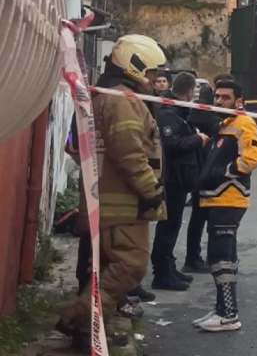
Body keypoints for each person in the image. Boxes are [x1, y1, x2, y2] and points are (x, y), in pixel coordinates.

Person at [57, 35, 168, 347]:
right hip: (124, 205)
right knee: (131, 265)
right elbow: (129, 152)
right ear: (134, 66)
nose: (153, 80)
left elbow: (74, 147)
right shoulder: (123, 101)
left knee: (106, 267)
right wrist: (151, 190)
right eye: (150, 73)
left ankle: (90, 331)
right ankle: (79, 319)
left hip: (103, 201)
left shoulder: (103, 95)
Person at [192, 79, 257, 333]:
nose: (219, 101)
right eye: (217, 97)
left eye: (225, 97)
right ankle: (222, 309)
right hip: (216, 198)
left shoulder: (243, 123)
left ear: (238, 101)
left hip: (229, 199)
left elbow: (250, 160)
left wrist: (223, 172)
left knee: (222, 257)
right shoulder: (224, 124)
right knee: (220, 257)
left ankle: (229, 314)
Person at [150, 72, 208, 290]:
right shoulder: (169, 113)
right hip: (172, 178)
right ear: (189, 91)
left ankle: (169, 267)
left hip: (179, 178)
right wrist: (197, 139)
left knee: (173, 225)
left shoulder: (177, 112)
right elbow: (171, 144)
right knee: (168, 225)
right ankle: (162, 273)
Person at [183, 75, 229, 275]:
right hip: (207, 172)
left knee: (198, 218)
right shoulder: (209, 117)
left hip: (198, 172)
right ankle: (202, 257)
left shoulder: (194, 114)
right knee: (208, 217)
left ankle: (194, 257)